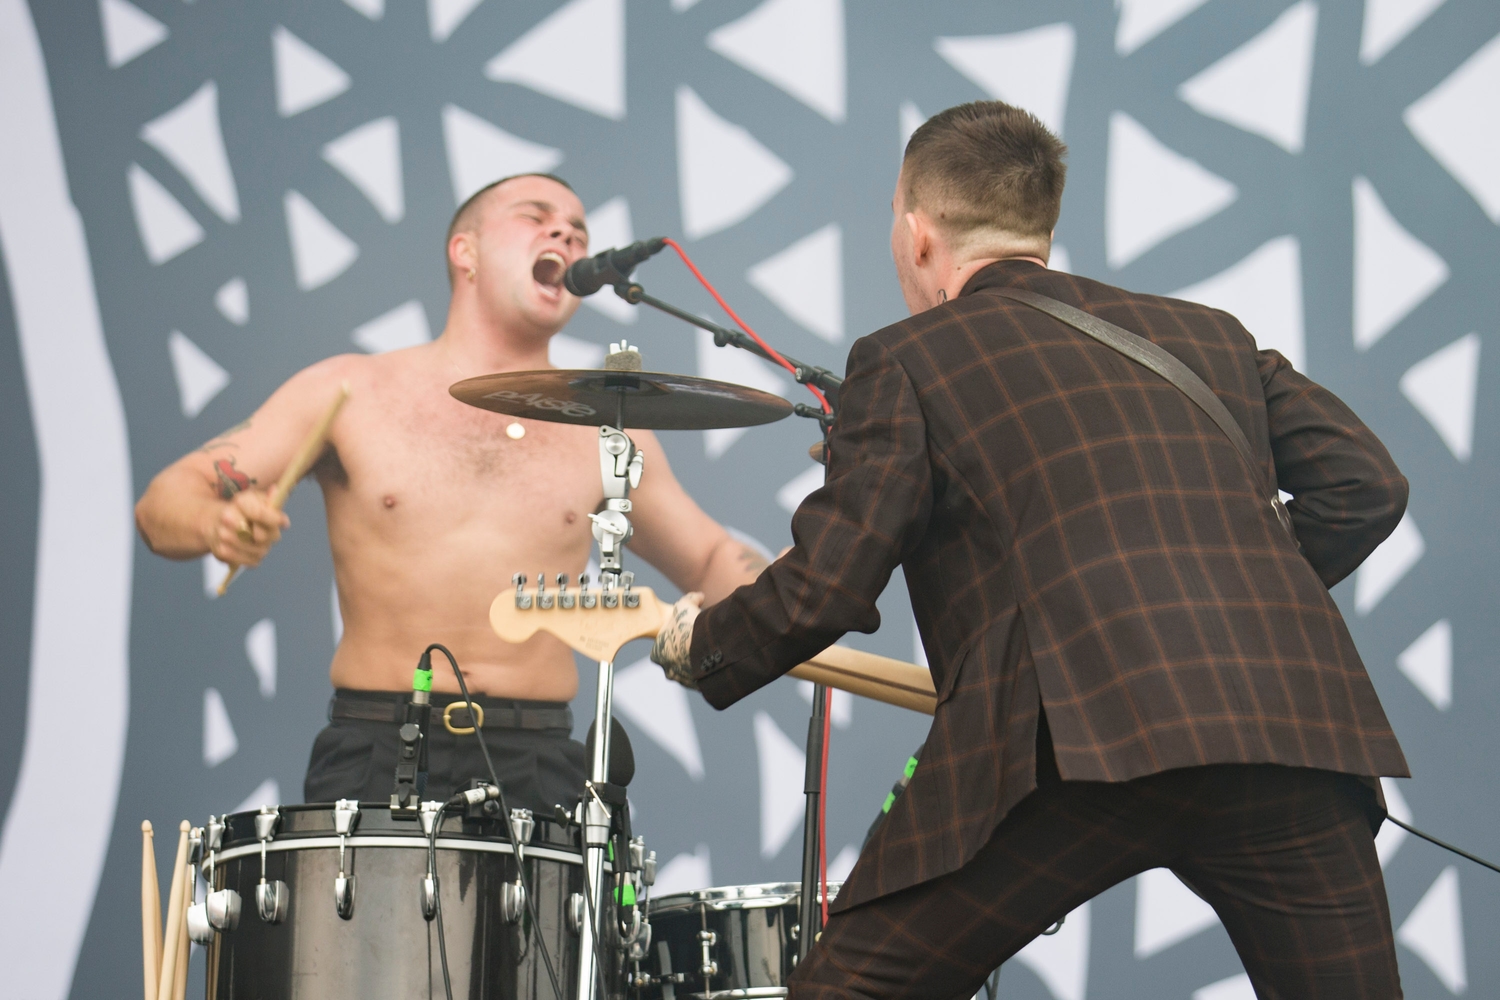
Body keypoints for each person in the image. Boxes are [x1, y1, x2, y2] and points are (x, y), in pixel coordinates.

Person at [652, 102, 1411, 998]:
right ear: (1039, 225)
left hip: (1077, 738)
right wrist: (1233, 593)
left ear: (917, 232)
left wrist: (701, 645)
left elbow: (828, 584)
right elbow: (1367, 485)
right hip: (1286, 727)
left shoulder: (904, 361)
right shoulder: (1211, 335)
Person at [136, 173, 763, 813]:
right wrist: (217, 526)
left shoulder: (604, 426)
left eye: (578, 230)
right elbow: (163, 504)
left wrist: (804, 603)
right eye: (536, 216)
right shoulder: (352, 390)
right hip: (380, 747)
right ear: (464, 251)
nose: (565, 234)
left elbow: (712, 557)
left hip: (540, 756)